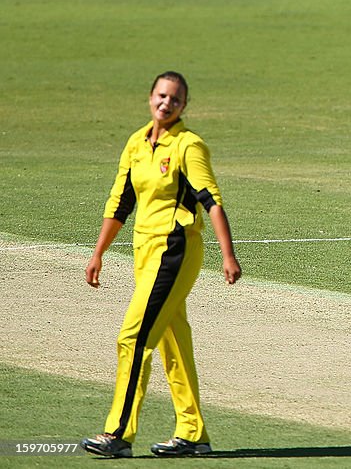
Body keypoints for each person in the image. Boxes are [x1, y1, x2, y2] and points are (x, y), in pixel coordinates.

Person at [80, 71, 241, 458]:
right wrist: (99, 251)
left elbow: (211, 200)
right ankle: (193, 433)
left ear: (184, 106)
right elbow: (120, 202)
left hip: (175, 250)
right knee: (172, 341)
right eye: (161, 96)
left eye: (175, 99)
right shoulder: (137, 143)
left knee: (133, 338)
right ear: (150, 97)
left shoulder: (189, 145)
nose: (166, 103)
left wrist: (227, 253)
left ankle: (118, 433)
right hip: (143, 251)